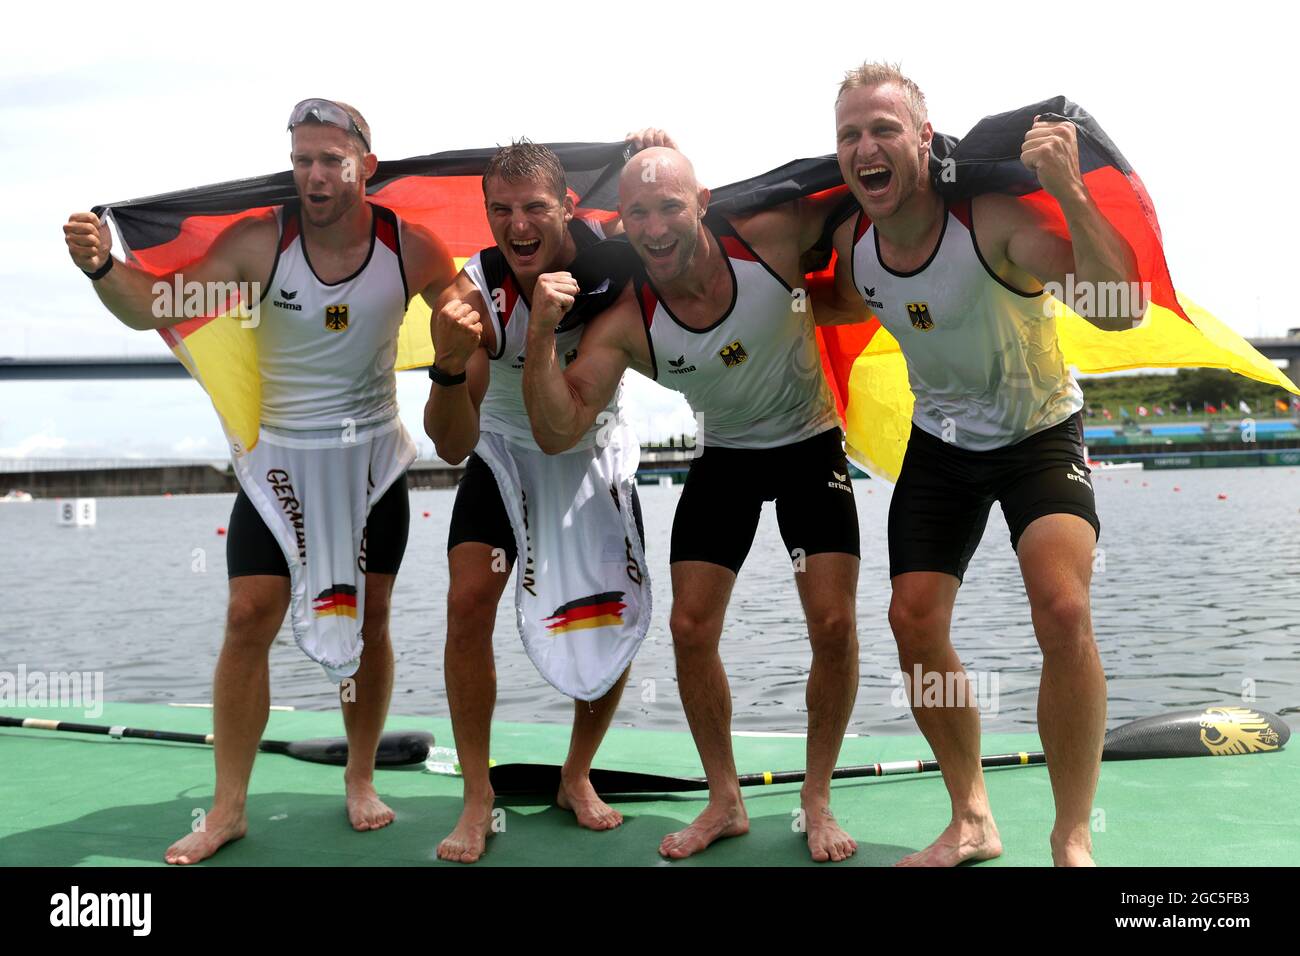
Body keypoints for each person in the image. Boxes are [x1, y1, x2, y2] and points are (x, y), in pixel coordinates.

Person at [64, 99, 457, 864]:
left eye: (330, 160)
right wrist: (103, 265)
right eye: (301, 158)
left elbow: (465, 313)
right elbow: (154, 308)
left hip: (372, 463)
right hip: (280, 460)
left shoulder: (410, 245)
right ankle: (228, 809)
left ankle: (361, 777)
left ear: (365, 167)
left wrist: (468, 329)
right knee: (249, 616)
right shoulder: (256, 243)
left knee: (370, 622)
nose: (312, 174)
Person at [815, 63, 1142, 866]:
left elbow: (1121, 308)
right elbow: (824, 300)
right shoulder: (855, 252)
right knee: (911, 621)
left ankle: (1070, 834)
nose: (867, 147)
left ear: (925, 141)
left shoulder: (991, 223)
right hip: (944, 444)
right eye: (851, 134)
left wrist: (1070, 190)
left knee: (1062, 611)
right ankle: (971, 817)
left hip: (1039, 433)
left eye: (885, 129)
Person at [521, 147, 861, 863]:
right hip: (726, 457)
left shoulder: (767, 237)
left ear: (703, 201)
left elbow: (866, 194)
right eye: (636, 213)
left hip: (809, 442)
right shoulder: (627, 319)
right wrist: (541, 337)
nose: (654, 228)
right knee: (689, 626)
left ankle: (818, 796)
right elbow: (558, 429)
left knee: (832, 623)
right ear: (622, 222)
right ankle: (725, 799)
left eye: (670, 206)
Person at [425, 134, 672, 864]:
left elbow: (682, 223)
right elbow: (448, 445)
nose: (519, 226)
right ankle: (478, 795)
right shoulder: (473, 296)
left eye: (534, 207)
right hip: (504, 456)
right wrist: (443, 368)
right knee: (468, 603)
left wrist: (656, 155)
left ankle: (576, 775)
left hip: (591, 453)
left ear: (566, 205)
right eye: (501, 211)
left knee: (614, 610)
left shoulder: (617, 257)